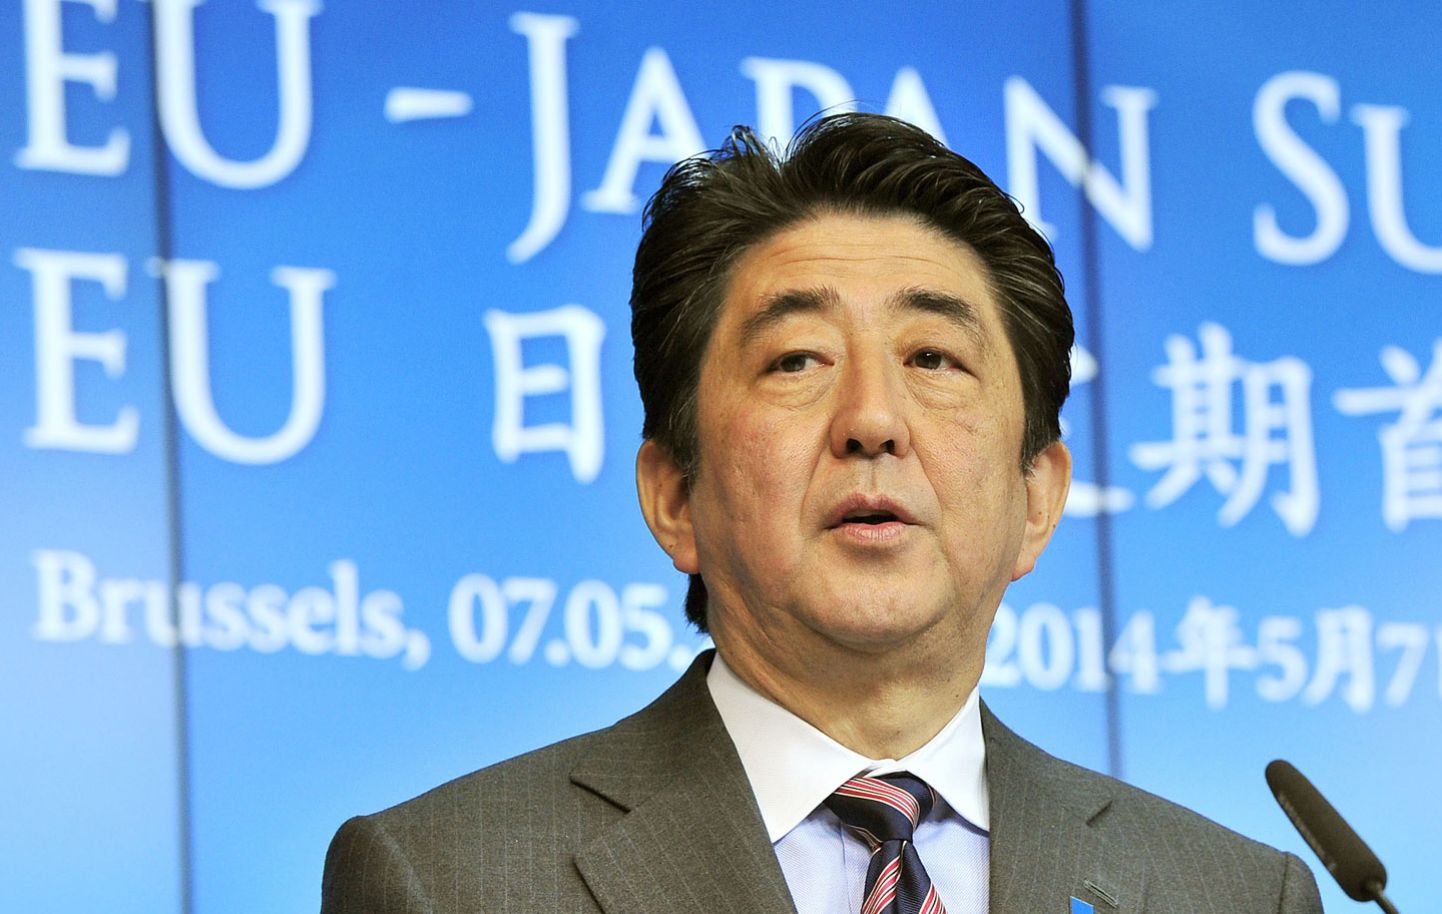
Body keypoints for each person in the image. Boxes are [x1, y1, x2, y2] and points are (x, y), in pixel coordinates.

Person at [321, 113, 1322, 914]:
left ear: (1035, 496)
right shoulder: (446, 879)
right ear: (674, 495)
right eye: (796, 360)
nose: (873, 418)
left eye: (933, 357)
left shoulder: (1233, 892)